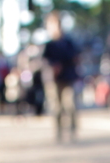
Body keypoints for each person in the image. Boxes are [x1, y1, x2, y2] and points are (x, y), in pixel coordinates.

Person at [42, 12, 80, 142]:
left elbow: (75, 57)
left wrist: (64, 64)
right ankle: (58, 133)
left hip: (68, 78)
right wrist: (53, 67)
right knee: (56, 107)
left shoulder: (68, 43)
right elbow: (45, 60)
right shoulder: (49, 45)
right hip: (53, 80)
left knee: (70, 105)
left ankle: (73, 131)